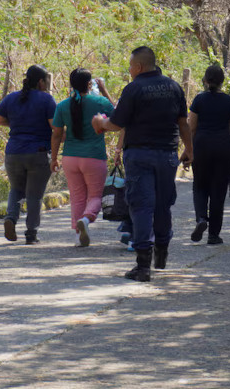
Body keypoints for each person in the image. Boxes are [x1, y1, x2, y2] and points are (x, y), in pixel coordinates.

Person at [92, 46, 193, 282]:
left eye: (130, 67)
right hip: (167, 155)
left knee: (141, 206)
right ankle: (162, 253)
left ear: (138, 66)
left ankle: (143, 265)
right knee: (163, 205)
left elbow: (116, 124)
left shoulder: (134, 88)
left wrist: (100, 122)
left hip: (139, 156)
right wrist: (189, 150)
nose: (129, 71)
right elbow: (183, 123)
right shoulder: (174, 87)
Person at [50, 69, 114, 247]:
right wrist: (104, 91)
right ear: (89, 84)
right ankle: (86, 220)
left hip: (70, 157)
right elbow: (118, 117)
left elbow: (56, 134)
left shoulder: (62, 105)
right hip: (94, 157)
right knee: (95, 196)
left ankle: (79, 237)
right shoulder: (100, 101)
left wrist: (53, 158)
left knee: (77, 197)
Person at [0, 65, 56, 244]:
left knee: (16, 189)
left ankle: (11, 218)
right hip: (38, 153)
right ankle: (31, 233)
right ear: (41, 82)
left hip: (13, 152)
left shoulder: (11, 97)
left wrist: (15, 125)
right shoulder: (46, 99)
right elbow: (54, 126)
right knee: (34, 195)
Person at [188, 65, 230, 245]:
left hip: (201, 147)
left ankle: (201, 219)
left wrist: (187, 151)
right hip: (224, 149)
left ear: (205, 81)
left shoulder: (198, 100)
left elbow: (191, 128)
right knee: (218, 191)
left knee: (199, 186)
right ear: (223, 82)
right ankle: (213, 235)